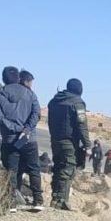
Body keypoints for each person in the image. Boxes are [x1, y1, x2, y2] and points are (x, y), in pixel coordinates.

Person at [0, 67, 44, 212]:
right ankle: (38, 200)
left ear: (3, 79)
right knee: (34, 169)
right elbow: (36, 114)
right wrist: (26, 129)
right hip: (29, 138)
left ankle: (11, 202)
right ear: (18, 78)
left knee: (11, 171)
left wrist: (14, 129)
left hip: (9, 139)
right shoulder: (30, 94)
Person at [46, 78, 90, 210]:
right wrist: (87, 144)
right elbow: (82, 124)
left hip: (55, 139)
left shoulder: (54, 101)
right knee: (68, 168)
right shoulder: (77, 102)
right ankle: (61, 201)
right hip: (69, 141)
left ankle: (56, 198)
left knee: (59, 167)